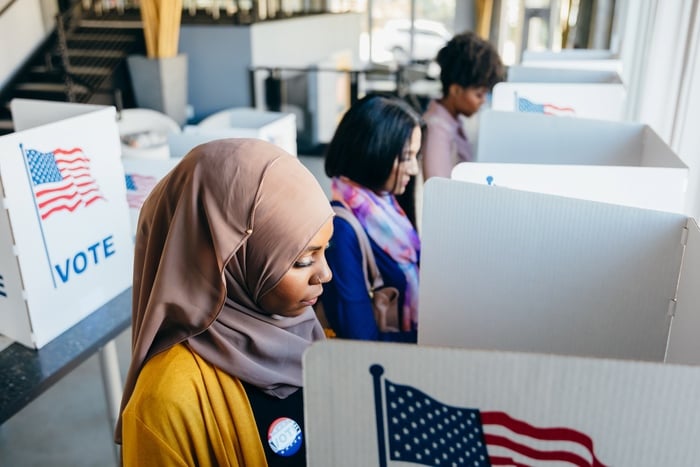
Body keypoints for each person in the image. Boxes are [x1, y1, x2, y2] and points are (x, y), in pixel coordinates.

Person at [115, 138, 334, 466]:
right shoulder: (165, 403)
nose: (326, 274)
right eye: (303, 260)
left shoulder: (304, 328)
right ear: (231, 260)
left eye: (325, 250)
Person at [320, 94, 423, 343]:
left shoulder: (384, 203)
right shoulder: (341, 231)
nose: (414, 169)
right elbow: (362, 340)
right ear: (374, 151)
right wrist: (438, 340)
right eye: (406, 157)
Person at [422, 31, 505, 181]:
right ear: (456, 90)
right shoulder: (437, 132)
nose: (483, 101)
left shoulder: (453, 121)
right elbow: (440, 194)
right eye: (479, 95)